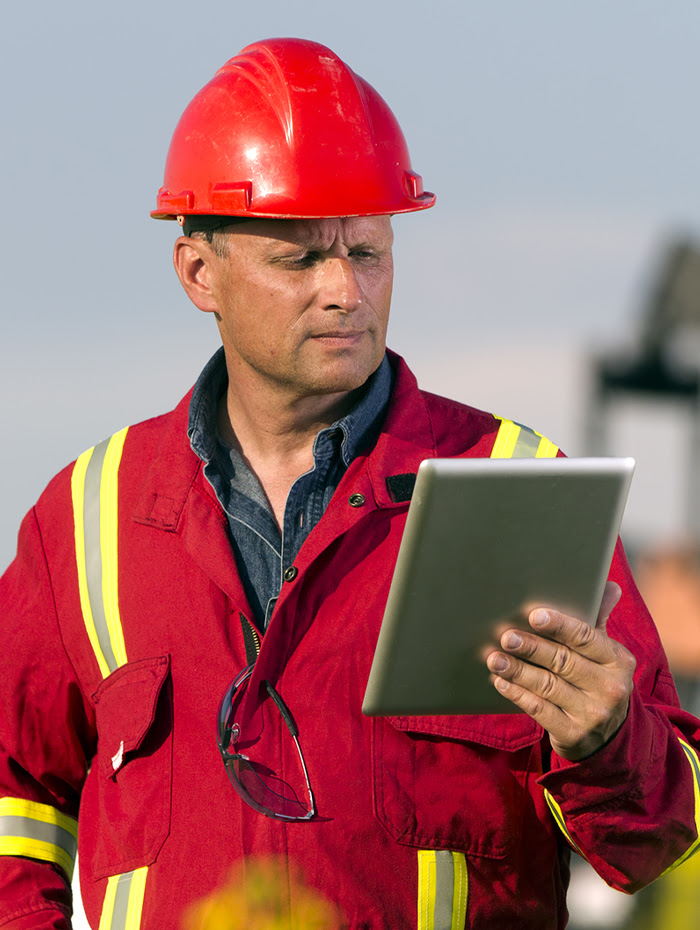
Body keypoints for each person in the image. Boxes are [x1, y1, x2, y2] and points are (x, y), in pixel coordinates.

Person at [0, 37, 698, 930]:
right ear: (198, 273)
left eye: (366, 251)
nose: (345, 291)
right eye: (300, 260)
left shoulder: (513, 487)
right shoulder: (85, 516)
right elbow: (17, 790)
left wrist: (608, 741)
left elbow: (658, 845)